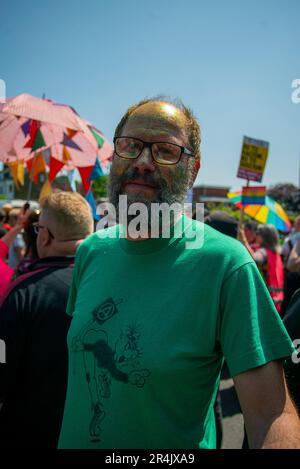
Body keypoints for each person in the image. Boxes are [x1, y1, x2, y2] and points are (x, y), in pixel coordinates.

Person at [58, 98, 300, 449]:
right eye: (130, 146)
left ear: (193, 170)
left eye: (165, 151)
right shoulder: (90, 252)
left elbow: (272, 416)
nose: (142, 163)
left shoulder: (227, 265)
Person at [0, 191, 93, 448]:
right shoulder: (112, 284)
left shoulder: (25, 291)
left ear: (46, 235)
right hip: (98, 433)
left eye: (39, 228)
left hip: (31, 433)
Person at [239, 223, 285, 315]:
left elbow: (253, 259)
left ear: (264, 237)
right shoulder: (276, 253)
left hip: (266, 300)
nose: (256, 235)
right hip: (277, 301)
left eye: (258, 233)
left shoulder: (264, 252)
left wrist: (243, 240)